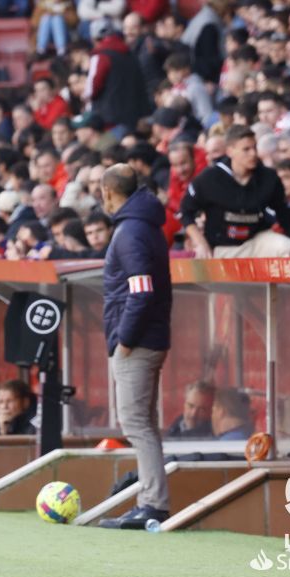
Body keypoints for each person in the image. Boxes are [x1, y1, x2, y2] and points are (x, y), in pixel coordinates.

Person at [97, 164, 172, 530]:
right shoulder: (145, 226)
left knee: (136, 422)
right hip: (150, 337)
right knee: (144, 422)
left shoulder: (129, 232)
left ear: (109, 192)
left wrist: (124, 339)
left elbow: (140, 293)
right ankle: (151, 501)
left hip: (138, 343)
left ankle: (153, 504)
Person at [180, 125, 290, 258]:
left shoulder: (269, 177)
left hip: (257, 241)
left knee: (287, 247)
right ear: (230, 151)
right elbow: (186, 212)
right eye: (246, 149)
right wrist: (200, 242)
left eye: (254, 147)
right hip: (221, 246)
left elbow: (285, 213)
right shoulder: (209, 178)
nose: (253, 154)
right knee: (202, 262)